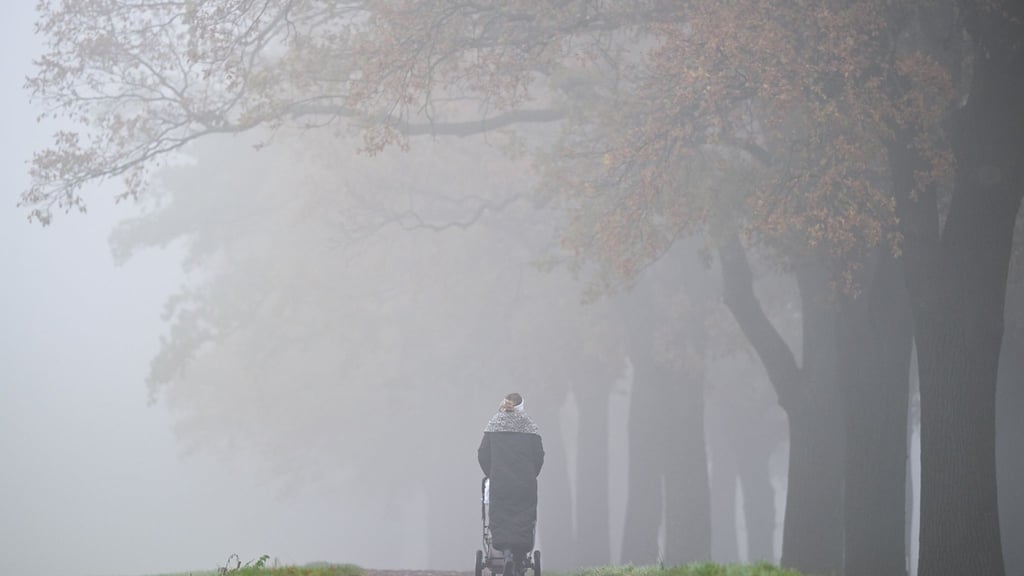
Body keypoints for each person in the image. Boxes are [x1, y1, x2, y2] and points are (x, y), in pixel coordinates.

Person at [478, 393, 544, 576]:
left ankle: (506, 554)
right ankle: (519, 557)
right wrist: (531, 474)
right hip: (525, 484)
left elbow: (483, 454)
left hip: (500, 483)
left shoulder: (494, 424)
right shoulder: (530, 426)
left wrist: (492, 473)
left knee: (501, 517)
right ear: (523, 406)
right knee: (524, 518)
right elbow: (539, 455)